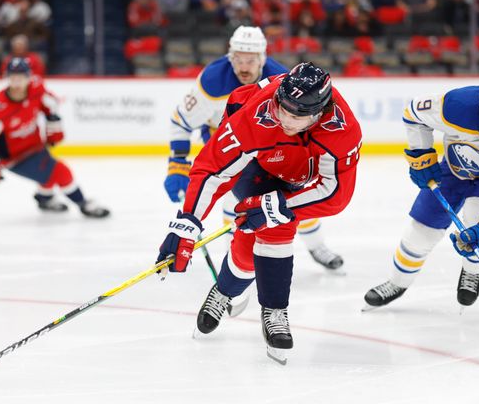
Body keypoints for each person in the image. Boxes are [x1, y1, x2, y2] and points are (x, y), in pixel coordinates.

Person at [156, 63, 363, 363]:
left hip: (301, 178)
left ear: (319, 113)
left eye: (297, 116)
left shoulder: (343, 129)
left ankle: (251, 300)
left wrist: (278, 206)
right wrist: (186, 224)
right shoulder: (257, 112)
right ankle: (241, 297)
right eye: (282, 108)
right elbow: (211, 169)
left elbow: (336, 195)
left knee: (268, 224)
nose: (285, 119)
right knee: (269, 229)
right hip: (257, 168)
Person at [164, 26, 345, 272]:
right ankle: (236, 260)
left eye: (251, 59)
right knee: (234, 205)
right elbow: (181, 121)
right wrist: (177, 165)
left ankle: (316, 246)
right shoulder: (212, 81)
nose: (244, 67)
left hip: (269, 151)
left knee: (290, 200)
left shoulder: (283, 79)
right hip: (227, 150)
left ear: (263, 58)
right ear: (230, 57)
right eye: (238, 59)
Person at [363, 66, 479, 309]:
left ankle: (472, 269)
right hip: (452, 170)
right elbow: (414, 112)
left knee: (478, 220)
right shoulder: (459, 105)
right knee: (420, 233)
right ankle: (397, 282)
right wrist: (421, 154)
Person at [0, 58, 110, 218]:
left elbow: (51, 103)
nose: (17, 83)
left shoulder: (35, 89)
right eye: (13, 77)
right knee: (61, 172)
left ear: (29, 77)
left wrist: (54, 125)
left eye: (21, 77)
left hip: (35, 147)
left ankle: (44, 198)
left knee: (48, 174)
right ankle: (84, 204)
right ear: (7, 78)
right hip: (15, 158)